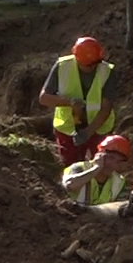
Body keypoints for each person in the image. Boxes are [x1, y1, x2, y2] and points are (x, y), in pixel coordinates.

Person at [40, 36, 119, 166]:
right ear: (77, 59)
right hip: (67, 128)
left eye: (95, 64)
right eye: (88, 65)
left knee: (101, 167)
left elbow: (106, 107)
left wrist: (88, 132)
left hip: (99, 128)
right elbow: (44, 98)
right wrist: (69, 102)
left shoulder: (107, 71)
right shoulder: (62, 67)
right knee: (70, 168)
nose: (92, 67)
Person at [61, 133, 133, 214]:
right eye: (110, 158)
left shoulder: (119, 182)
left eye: (118, 161)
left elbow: (122, 207)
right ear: (99, 155)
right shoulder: (79, 168)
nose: (112, 164)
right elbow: (69, 185)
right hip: (72, 219)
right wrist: (95, 169)